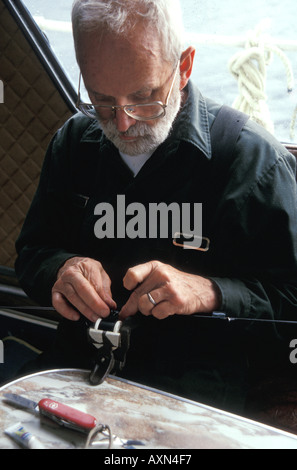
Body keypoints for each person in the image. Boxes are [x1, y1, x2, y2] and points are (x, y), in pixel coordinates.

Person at [15, 0, 297, 415]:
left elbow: (290, 299)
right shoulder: (73, 143)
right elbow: (33, 252)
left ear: (184, 67)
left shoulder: (251, 161)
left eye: (144, 97)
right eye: (101, 98)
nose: (123, 123)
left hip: (193, 403)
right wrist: (61, 269)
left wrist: (211, 292)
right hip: (73, 378)